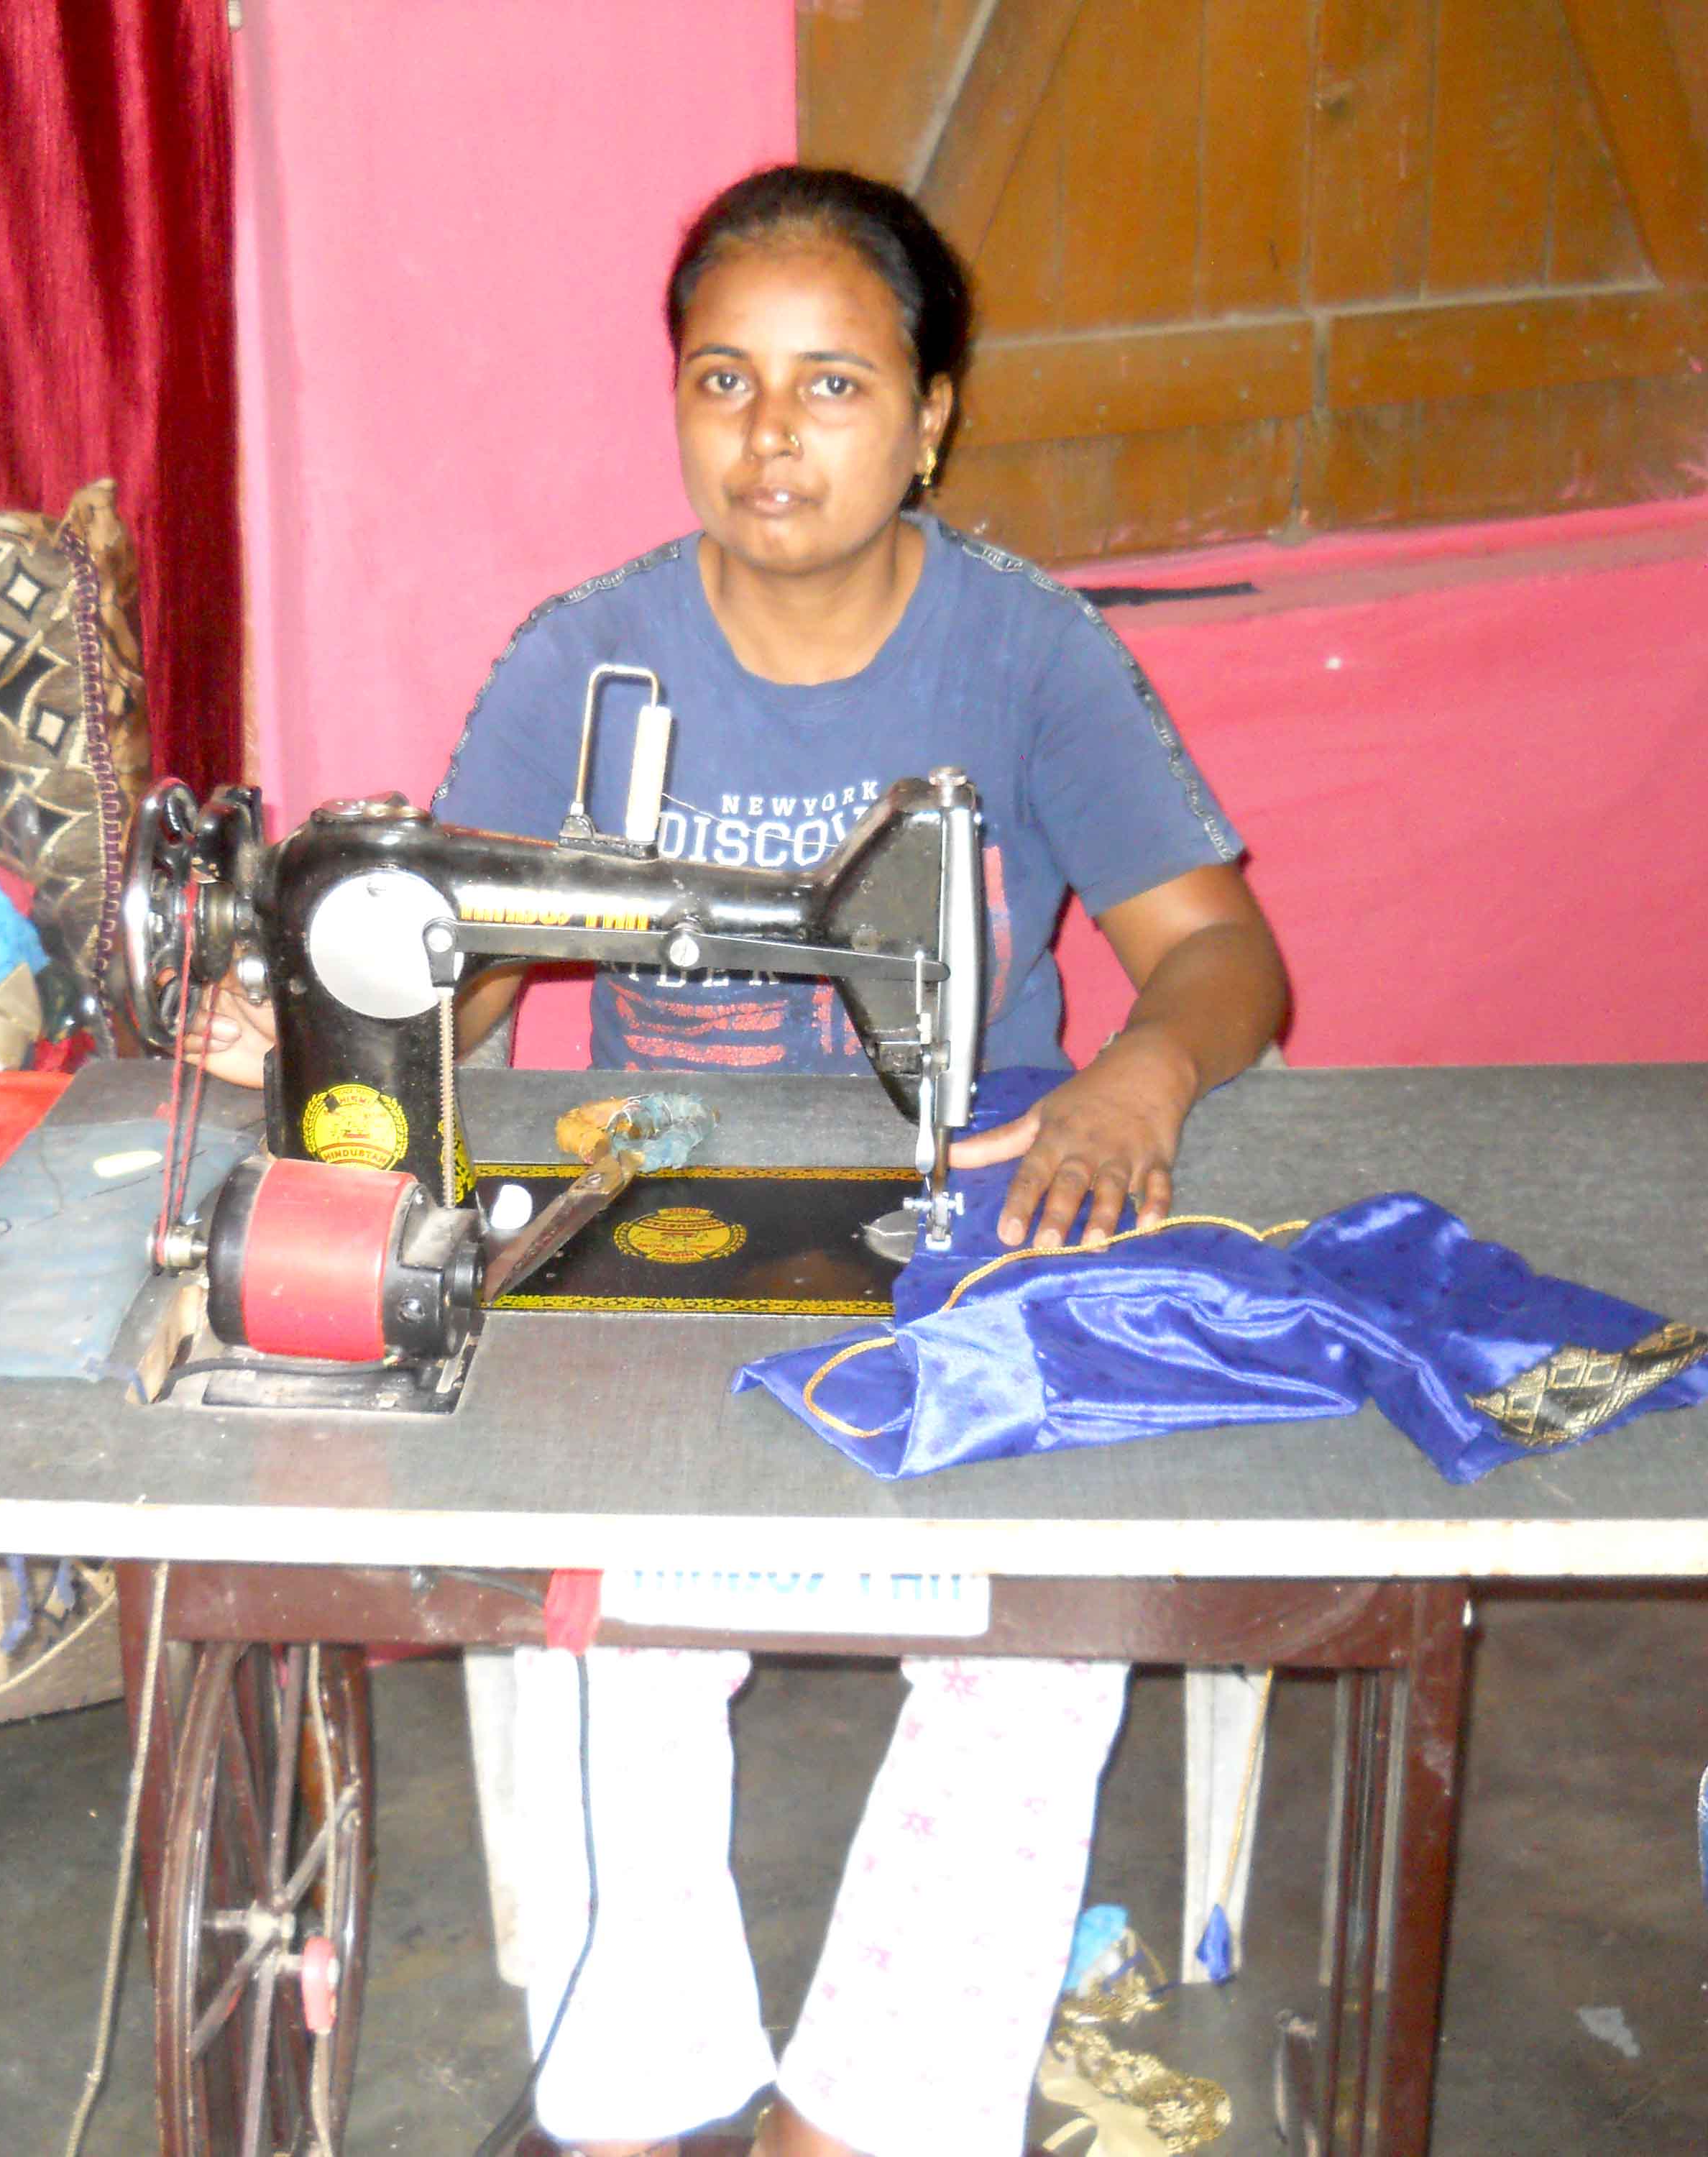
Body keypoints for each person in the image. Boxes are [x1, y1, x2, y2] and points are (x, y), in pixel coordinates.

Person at [191, 165, 1288, 2157]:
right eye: (725, 379)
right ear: (677, 397)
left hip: (982, 1196)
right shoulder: (582, 664)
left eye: (836, 385)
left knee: (1042, 1652)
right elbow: (459, 959)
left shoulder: (1028, 657)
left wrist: (1141, 1082)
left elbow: (1223, 953)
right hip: (661, 1219)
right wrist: (311, 1031)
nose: (772, 436)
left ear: (933, 411)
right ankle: (633, 2099)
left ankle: (865, 2122)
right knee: (628, 1622)